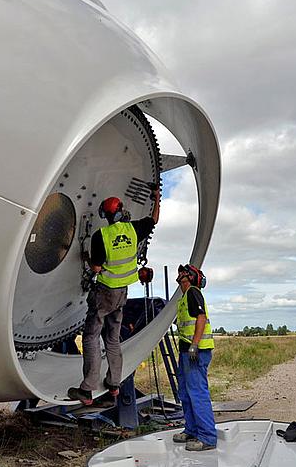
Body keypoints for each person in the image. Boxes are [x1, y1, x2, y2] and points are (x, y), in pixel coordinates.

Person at [67, 184, 160, 405]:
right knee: (112, 339)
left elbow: (97, 269)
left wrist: (86, 258)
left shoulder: (102, 236)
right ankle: (114, 385)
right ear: (121, 211)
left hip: (105, 293)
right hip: (122, 295)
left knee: (90, 337)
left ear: (105, 216)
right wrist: (157, 197)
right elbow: (154, 220)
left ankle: (87, 390)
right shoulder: (133, 229)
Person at [172, 263, 217, 451]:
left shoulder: (193, 292)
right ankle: (191, 429)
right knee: (185, 392)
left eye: (183, 274)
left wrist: (195, 345)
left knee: (197, 393)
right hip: (186, 352)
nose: (180, 276)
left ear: (188, 277)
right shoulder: (184, 298)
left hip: (195, 352)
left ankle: (207, 437)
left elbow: (201, 318)